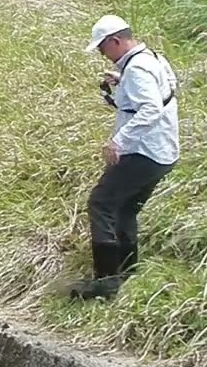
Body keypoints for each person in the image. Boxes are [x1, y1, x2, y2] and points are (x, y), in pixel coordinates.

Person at [73, 15, 179, 300]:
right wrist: (123, 82)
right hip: (163, 153)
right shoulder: (151, 59)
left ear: (115, 41)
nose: (102, 55)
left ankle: (106, 281)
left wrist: (117, 142)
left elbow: (150, 110)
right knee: (125, 209)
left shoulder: (139, 69)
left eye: (101, 48)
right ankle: (127, 273)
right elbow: (166, 89)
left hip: (144, 152)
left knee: (101, 202)